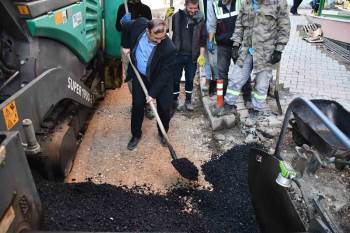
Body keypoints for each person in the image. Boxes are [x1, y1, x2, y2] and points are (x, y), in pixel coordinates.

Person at [216, 0, 290, 118]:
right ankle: (229, 104)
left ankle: (256, 110)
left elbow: (284, 27)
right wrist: (236, 44)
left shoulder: (279, 2)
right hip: (246, 50)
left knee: (261, 84)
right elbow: (239, 25)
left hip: (265, 52)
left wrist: (278, 49)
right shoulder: (247, 2)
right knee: (236, 78)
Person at [121, 18, 176, 150]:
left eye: (162, 38)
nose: (159, 41)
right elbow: (125, 27)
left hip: (160, 79)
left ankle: (163, 133)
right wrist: (126, 45)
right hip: (140, 75)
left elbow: (165, 74)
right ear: (147, 31)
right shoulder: (139, 24)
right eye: (155, 38)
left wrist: (152, 94)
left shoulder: (169, 48)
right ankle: (135, 135)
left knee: (163, 107)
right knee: (138, 105)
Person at [116, 0, 154, 120]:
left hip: (142, 47)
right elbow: (117, 27)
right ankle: (137, 101)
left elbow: (151, 29)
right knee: (130, 77)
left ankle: (147, 105)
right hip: (127, 47)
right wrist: (123, 22)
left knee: (146, 74)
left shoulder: (146, 9)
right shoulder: (123, 7)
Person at [171, 0, 207, 111]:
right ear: (185, 5)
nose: (193, 11)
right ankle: (174, 100)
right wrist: (166, 18)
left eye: (195, 8)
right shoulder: (176, 16)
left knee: (190, 79)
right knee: (175, 78)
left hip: (192, 55)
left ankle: (188, 100)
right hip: (177, 54)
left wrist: (201, 55)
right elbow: (167, 30)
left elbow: (202, 39)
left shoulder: (200, 19)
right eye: (190, 8)